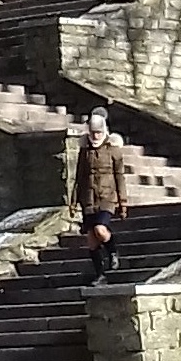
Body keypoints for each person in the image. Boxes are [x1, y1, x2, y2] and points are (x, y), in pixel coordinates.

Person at [74, 109, 128, 279]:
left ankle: (113, 251)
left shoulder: (113, 149)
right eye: (93, 132)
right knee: (91, 240)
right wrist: (74, 201)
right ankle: (100, 274)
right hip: (88, 199)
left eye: (98, 132)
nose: (96, 136)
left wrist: (123, 201)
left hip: (107, 197)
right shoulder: (85, 151)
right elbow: (79, 176)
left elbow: (120, 176)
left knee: (100, 230)